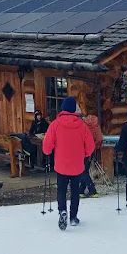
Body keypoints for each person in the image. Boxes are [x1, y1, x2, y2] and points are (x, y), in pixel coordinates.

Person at [42, 96, 95, 230]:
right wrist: (84, 154)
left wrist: (48, 152)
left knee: (61, 190)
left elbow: (47, 145)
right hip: (77, 165)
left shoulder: (55, 124)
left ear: (63, 108)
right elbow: (90, 146)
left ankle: (62, 211)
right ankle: (73, 217)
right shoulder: (82, 126)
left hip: (61, 164)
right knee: (75, 191)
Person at [79, 112, 103, 198]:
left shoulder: (83, 126)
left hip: (83, 151)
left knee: (83, 172)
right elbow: (100, 138)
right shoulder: (96, 125)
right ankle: (81, 191)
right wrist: (96, 146)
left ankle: (93, 190)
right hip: (92, 151)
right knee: (85, 170)